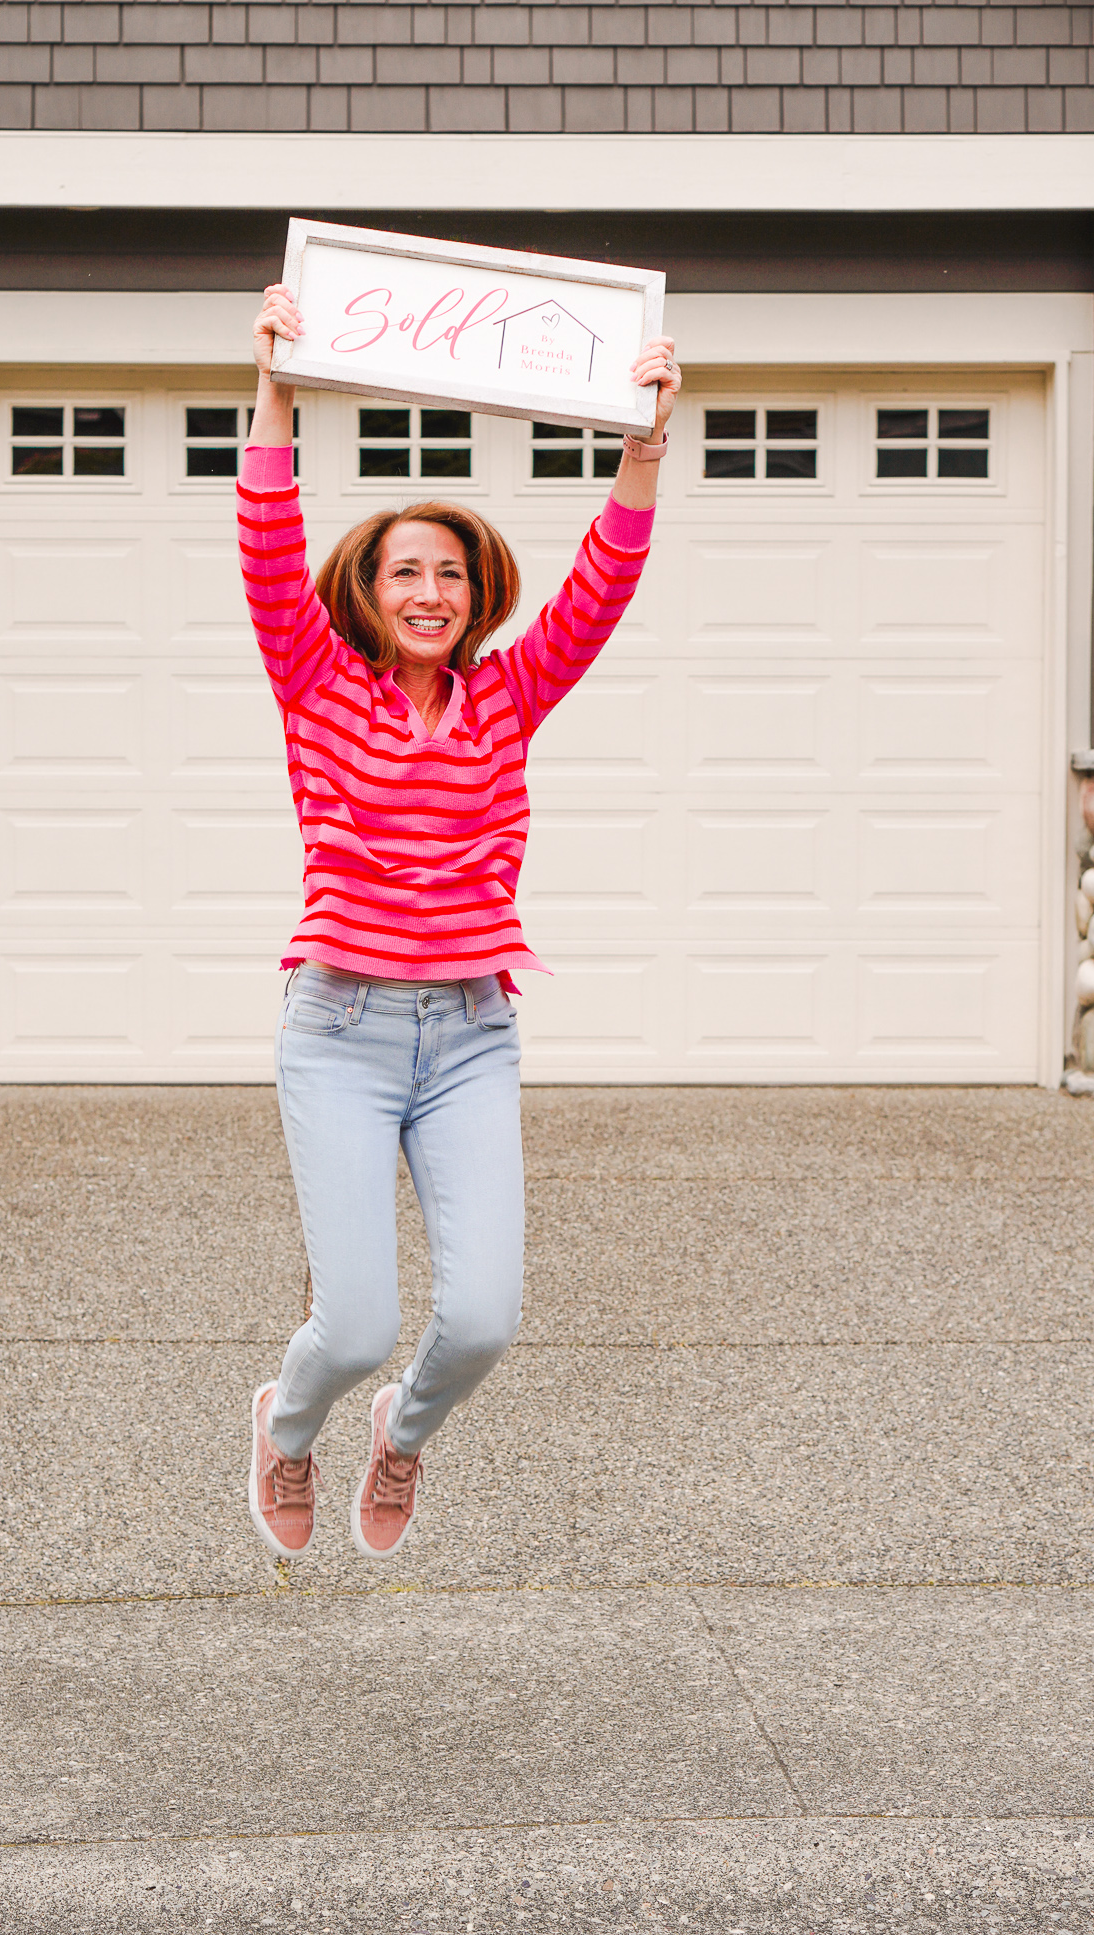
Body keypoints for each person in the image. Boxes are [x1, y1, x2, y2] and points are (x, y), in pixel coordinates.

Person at [239, 280, 680, 1564]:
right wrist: (275, 383)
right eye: (402, 570)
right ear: (365, 591)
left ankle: (403, 1434)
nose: (427, 588)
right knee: (358, 1318)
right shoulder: (316, 683)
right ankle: (288, 1425)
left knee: (482, 1316)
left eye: (448, 571)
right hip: (342, 1028)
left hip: (473, 1032)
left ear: (474, 590)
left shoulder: (509, 696)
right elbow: (270, 540)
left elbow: (604, 583)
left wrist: (642, 444)